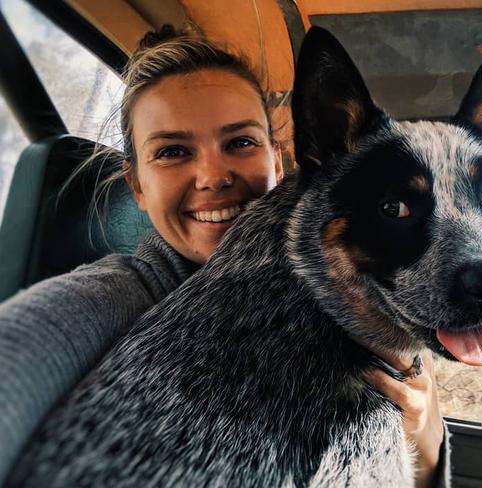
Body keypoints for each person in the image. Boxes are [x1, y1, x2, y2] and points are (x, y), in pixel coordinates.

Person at [0, 25, 447, 487]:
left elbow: (417, 467)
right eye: (173, 151)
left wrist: (424, 435)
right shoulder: (103, 299)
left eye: (240, 143)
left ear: (278, 162)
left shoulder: (371, 283)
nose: (213, 176)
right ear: (136, 186)